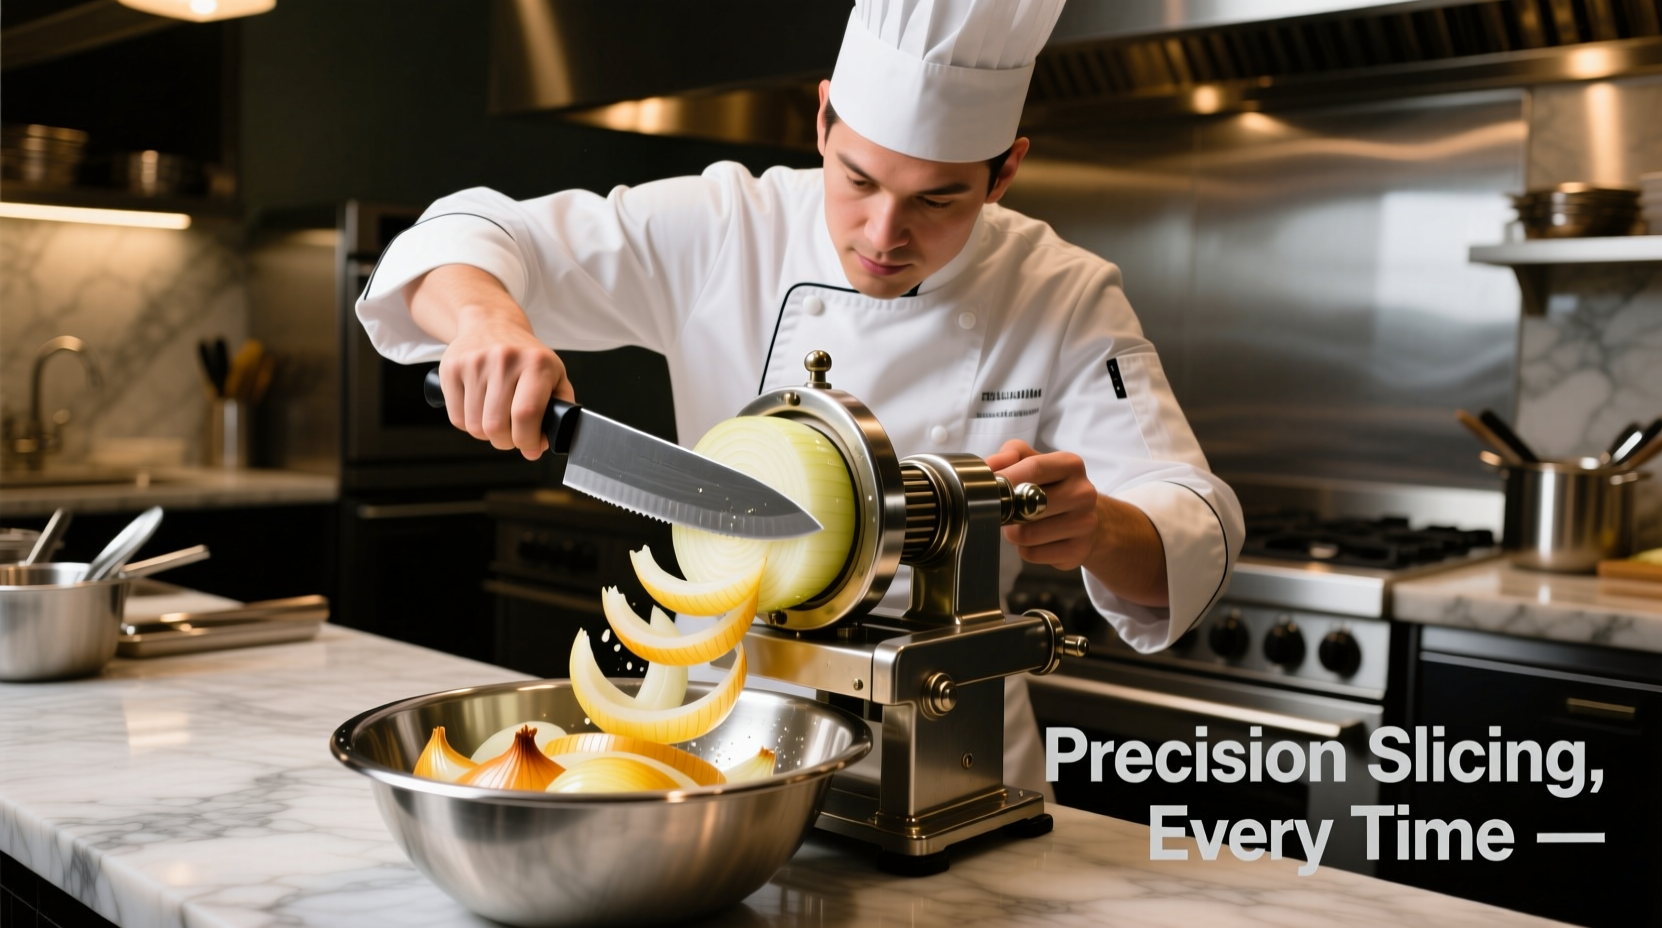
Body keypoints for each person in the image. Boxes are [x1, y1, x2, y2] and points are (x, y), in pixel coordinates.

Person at [356, 0, 1245, 795]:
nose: (884, 235)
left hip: (950, 762)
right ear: (821, 119)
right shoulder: (725, 226)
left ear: (1004, 172)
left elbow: (1192, 517)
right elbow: (466, 233)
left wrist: (1099, 528)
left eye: (939, 200)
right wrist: (483, 321)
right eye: (857, 179)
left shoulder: (1062, 292)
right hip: (722, 751)